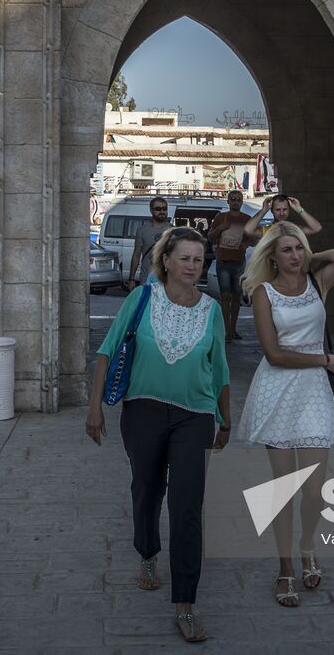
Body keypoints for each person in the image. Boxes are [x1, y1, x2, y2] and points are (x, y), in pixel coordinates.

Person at [86, 226, 231, 644]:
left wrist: (226, 419)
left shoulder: (212, 309)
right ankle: (148, 553)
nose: (192, 266)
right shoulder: (141, 298)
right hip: (143, 409)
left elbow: (219, 370)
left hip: (195, 415)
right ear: (165, 260)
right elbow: (106, 352)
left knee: (188, 507)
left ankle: (185, 603)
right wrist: (95, 408)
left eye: (199, 260)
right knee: (147, 489)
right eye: (184, 258)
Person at [237, 222, 334, 606]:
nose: (295, 256)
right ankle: (286, 567)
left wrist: (306, 257)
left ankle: (307, 547)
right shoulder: (263, 293)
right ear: (271, 256)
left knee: (315, 489)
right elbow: (274, 354)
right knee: (284, 489)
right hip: (278, 389)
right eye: (286, 250)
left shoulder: (318, 283)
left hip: (314, 392)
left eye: (299, 249)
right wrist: (323, 359)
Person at [206, 189, 253, 342]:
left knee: (237, 296)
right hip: (223, 262)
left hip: (239, 262)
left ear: (242, 202)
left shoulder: (247, 219)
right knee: (225, 296)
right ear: (228, 201)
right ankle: (227, 330)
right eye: (232, 199)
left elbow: (253, 238)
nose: (235, 201)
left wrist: (246, 243)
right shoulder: (220, 217)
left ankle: (233, 329)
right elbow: (210, 238)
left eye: (238, 199)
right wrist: (220, 228)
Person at [125, 196, 171, 290]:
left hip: (167, 280)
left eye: (164, 208)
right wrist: (131, 279)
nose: (162, 211)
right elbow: (136, 255)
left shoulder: (172, 230)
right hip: (146, 280)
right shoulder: (142, 231)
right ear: (151, 210)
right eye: (158, 209)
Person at [241, 193, 323, 242]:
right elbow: (248, 230)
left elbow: (316, 228)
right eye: (278, 210)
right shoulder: (267, 230)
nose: (282, 213)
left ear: (289, 210)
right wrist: (264, 210)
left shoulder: (294, 229)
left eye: (285, 209)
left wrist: (299, 209)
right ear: (272, 211)